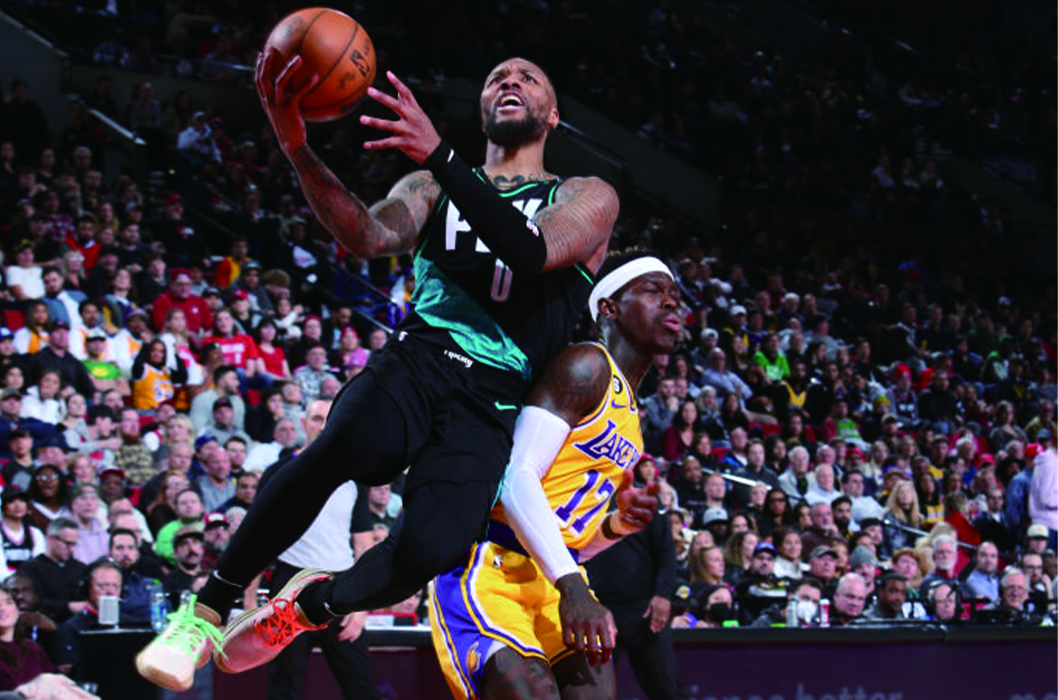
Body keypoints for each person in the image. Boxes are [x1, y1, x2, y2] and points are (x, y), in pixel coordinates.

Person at [137, 55, 616, 692]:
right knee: (344, 444)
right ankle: (204, 613)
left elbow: (532, 250)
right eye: (496, 77)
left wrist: (440, 155)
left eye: (528, 78)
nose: (509, 82)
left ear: (552, 115)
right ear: (481, 109)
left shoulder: (585, 195)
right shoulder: (431, 187)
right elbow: (364, 235)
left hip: (496, 397)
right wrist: (298, 150)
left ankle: (310, 606)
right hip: (421, 357)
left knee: (429, 550)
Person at [425, 252, 678, 698]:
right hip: (491, 565)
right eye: (654, 290)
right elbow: (516, 477)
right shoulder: (586, 365)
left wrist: (617, 526)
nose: (672, 302)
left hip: (554, 578)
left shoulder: (632, 420)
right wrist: (572, 583)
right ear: (609, 308)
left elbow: (570, 538)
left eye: (674, 294)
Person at [259, 397, 379, 700]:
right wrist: (250, 601)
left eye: (329, 419)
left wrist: (362, 607)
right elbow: (254, 538)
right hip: (288, 587)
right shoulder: (277, 472)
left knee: (362, 686)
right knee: (284, 688)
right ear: (303, 423)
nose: (323, 426)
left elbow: (363, 544)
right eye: (316, 418)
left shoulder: (356, 479)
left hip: (340, 587)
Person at [19, 518, 87, 624]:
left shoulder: (80, 568)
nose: (72, 549)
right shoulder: (31, 569)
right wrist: (68, 607)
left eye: (74, 544)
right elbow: (34, 604)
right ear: (51, 539)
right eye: (67, 543)